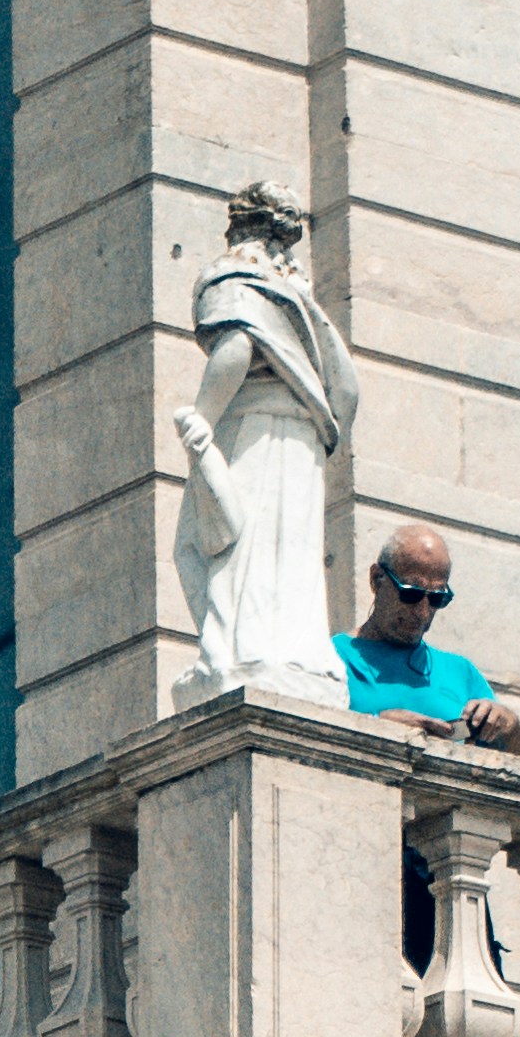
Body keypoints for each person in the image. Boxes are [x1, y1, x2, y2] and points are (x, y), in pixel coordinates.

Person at [172, 186, 355, 704]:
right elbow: (348, 389)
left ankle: (240, 654)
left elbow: (237, 343)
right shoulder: (298, 298)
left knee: (224, 546)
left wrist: (203, 419)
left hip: (250, 426)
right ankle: (296, 656)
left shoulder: (237, 280)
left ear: (238, 230)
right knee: (288, 549)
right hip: (302, 440)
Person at [338, 525, 520, 759]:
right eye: (411, 594)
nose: (423, 612)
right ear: (377, 579)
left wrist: (511, 728)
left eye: (437, 598)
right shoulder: (331, 658)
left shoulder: (460, 672)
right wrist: (377, 726)